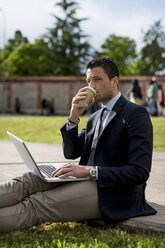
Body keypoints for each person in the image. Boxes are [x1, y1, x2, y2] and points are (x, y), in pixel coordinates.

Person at [0, 57, 156, 232]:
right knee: (29, 180)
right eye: (88, 80)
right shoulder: (96, 116)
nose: (91, 86)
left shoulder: (136, 114)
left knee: (37, 204)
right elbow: (71, 152)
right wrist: (73, 116)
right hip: (85, 179)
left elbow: (139, 172)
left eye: (97, 79)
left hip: (115, 193)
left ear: (115, 82)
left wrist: (89, 171)